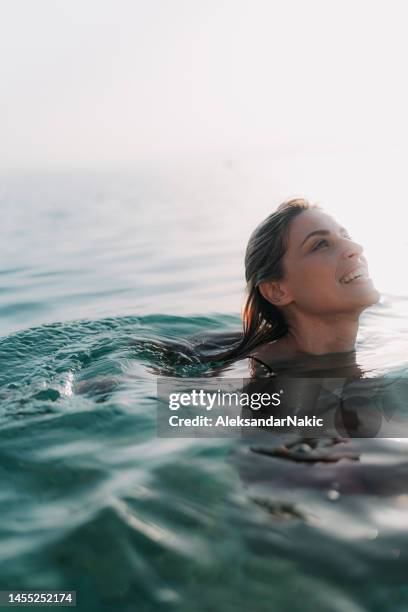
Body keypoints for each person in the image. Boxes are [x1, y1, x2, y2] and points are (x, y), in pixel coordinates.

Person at [195, 197, 380, 377]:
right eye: (321, 244)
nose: (356, 247)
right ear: (277, 290)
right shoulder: (265, 382)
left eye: (346, 236)